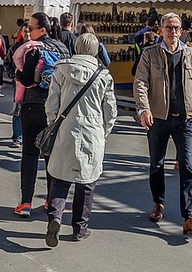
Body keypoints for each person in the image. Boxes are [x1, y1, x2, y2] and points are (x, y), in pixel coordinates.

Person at [134, 12, 192, 236]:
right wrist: (144, 109)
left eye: (177, 28)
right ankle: (158, 203)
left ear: (182, 30)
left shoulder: (191, 55)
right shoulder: (150, 54)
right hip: (158, 117)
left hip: (186, 118)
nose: (173, 32)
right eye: (169, 28)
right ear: (161, 31)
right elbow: (140, 83)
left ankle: (189, 217)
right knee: (157, 163)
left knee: (187, 165)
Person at [44, 33, 116, 247]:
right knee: (87, 181)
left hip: (65, 128)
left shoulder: (61, 69)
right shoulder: (103, 75)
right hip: (92, 130)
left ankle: (55, 217)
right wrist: (104, 131)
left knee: (60, 176)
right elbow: (110, 110)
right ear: (96, 50)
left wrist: (52, 122)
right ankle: (79, 227)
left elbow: (52, 101)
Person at [12, 12, 71, 217]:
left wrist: (18, 74)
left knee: (29, 153)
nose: (29, 32)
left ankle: (26, 202)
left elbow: (28, 79)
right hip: (57, 107)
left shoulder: (34, 49)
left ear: (42, 30)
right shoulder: (64, 49)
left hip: (34, 103)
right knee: (51, 155)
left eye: (32, 28)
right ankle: (50, 199)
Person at [4, 21, 31, 149]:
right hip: (19, 84)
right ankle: (17, 138)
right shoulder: (15, 48)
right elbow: (7, 63)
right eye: (25, 31)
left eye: (29, 31)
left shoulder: (37, 46)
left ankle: (31, 138)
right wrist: (13, 76)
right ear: (21, 32)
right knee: (18, 111)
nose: (27, 34)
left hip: (33, 85)